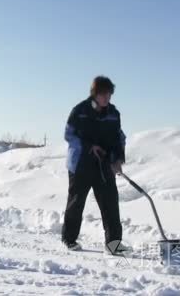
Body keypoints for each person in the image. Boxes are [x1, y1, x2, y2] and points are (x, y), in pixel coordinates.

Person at [61, 75, 128, 255]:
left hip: (104, 164)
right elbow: (69, 135)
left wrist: (118, 158)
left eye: (109, 94)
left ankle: (113, 244)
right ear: (94, 94)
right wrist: (90, 147)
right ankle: (69, 239)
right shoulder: (80, 111)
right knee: (76, 203)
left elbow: (119, 137)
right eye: (103, 94)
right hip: (81, 163)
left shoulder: (114, 114)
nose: (107, 98)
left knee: (110, 204)